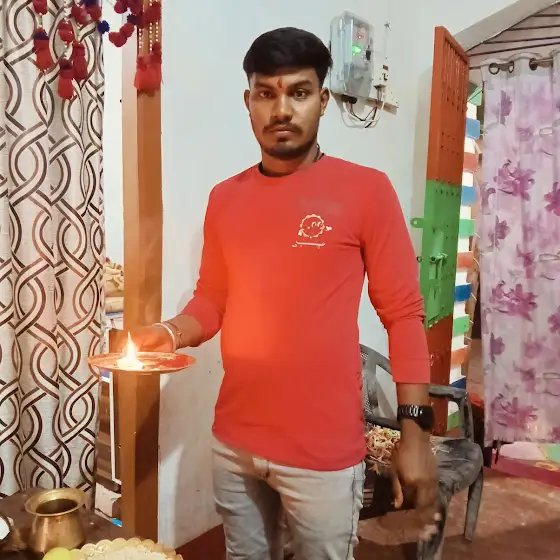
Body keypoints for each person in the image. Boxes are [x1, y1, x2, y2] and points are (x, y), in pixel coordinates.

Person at [132, 27, 437, 560]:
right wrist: (169, 332)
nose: (281, 110)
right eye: (266, 93)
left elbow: (404, 315)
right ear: (248, 101)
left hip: (322, 454)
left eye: (298, 92)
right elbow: (213, 298)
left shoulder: (366, 191)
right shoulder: (225, 199)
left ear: (323, 99)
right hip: (235, 443)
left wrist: (415, 432)